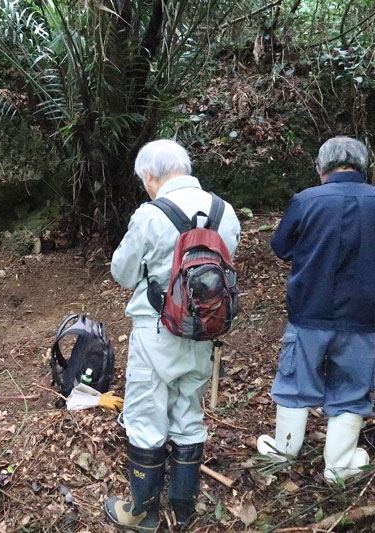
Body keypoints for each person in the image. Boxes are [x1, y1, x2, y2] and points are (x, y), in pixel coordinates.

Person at [105, 139, 240, 531]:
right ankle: (183, 509)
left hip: (156, 332)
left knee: (146, 417)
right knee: (188, 413)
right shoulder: (224, 212)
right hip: (203, 332)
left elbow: (123, 272)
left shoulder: (150, 215)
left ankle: (142, 512)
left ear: (149, 176)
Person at [257, 136, 375, 483]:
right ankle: (338, 466)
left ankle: (284, 453)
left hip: (310, 310)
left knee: (295, 383)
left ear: (321, 168)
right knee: (352, 390)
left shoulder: (306, 200)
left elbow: (281, 247)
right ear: (363, 166)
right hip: (363, 316)